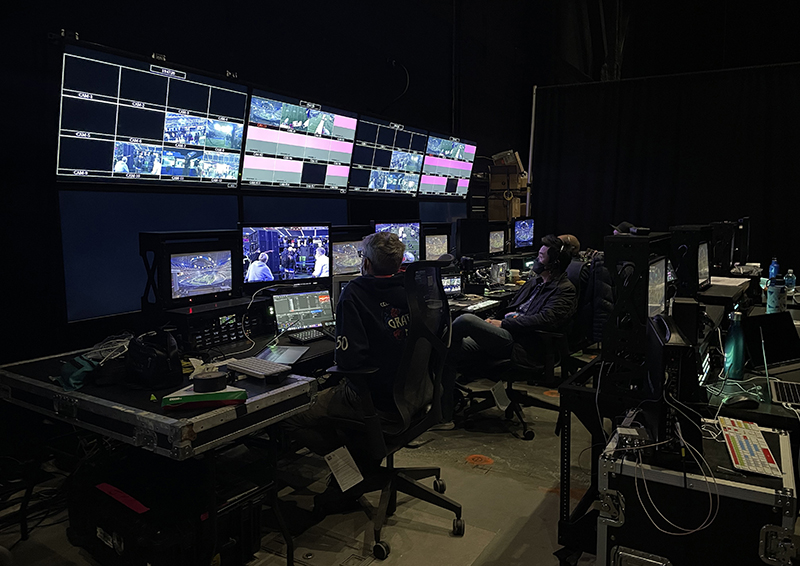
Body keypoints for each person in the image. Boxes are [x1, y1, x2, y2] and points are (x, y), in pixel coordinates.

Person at [282, 232, 409, 511]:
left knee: (288, 414)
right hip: (412, 394)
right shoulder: (413, 287)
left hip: (373, 398)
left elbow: (349, 360)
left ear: (366, 263)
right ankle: (359, 460)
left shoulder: (356, 292)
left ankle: (350, 470)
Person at [438, 235, 578, 427]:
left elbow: (547, 319)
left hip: (520, 343)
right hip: (505, 334)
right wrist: (495, 321)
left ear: (553, 263)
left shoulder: (564, 290)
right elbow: (514, 307)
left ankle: (443, 407)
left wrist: (504, 324)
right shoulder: (536, 282)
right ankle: (444, 415)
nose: (537, 260)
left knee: (465, 320)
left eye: (541, 256)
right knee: (449, 351)